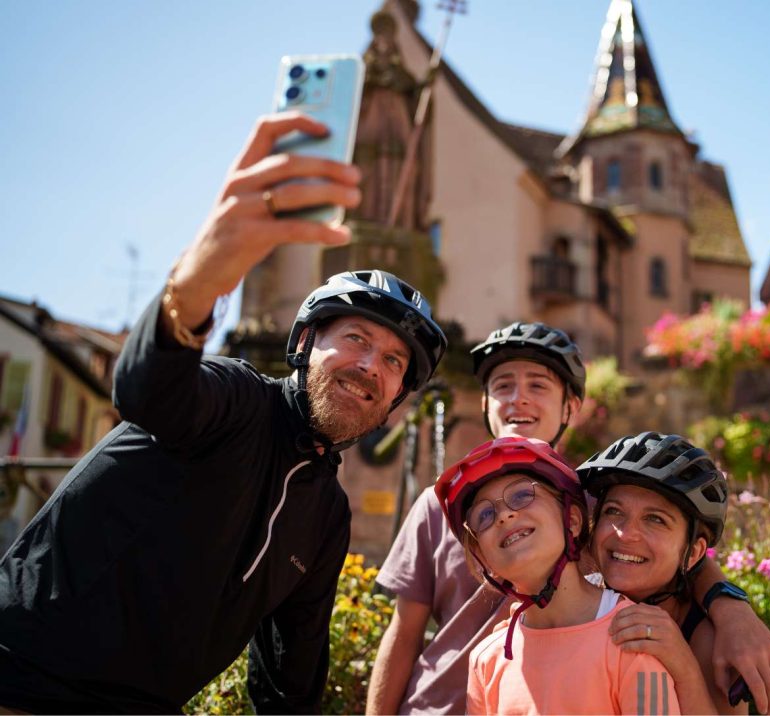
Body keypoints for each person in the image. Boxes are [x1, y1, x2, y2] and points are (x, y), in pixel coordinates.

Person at [0, 113, 447, 713]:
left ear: (396, 398)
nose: (372, 366)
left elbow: (291, 674)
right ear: (305, 343)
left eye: (395, 362)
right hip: (21, 680)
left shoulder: (325, 513)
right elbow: (147, 389)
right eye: (357, 338)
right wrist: (197, 278)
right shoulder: (237, 400)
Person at [368, 323, 770, 715]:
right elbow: (403, 633)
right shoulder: (436, 504)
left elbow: (676, 552)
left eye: (538, 385)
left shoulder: (593, 503)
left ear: (571, 405)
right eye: (502, 386)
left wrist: (733, 610)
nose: (518, 398)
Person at [436, 436, 714, 714]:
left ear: (571, 521)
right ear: (483, 558)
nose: (503, 515)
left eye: (522, 495)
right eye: (483, 515)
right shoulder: (486, 660)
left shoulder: (634, 638)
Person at [579, 431, 766, 714]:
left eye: (655, 519)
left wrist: (682, 663)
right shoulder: (572, 603)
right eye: (614, 511)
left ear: (692, 554)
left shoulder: (708, 642)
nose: (627, 534)